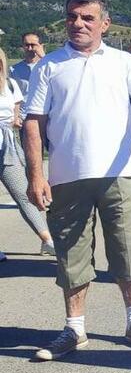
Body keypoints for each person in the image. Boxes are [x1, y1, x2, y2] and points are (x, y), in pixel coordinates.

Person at [23, 0, 131, 361]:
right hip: (67, 177)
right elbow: (34, 124)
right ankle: (74, 328)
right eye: (72, 16)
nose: (78, 23)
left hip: (120, 174)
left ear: (104, 23)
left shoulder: (124, 63)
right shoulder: (49, 66)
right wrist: (37, 175)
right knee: (71, 255)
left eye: (88, 17)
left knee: (126, 250)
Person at [0, 48, 56, 257]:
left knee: (24, 194)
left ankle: (47, 240)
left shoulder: (10, 85)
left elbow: (15, 115)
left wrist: (15, 121)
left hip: (7, 146)